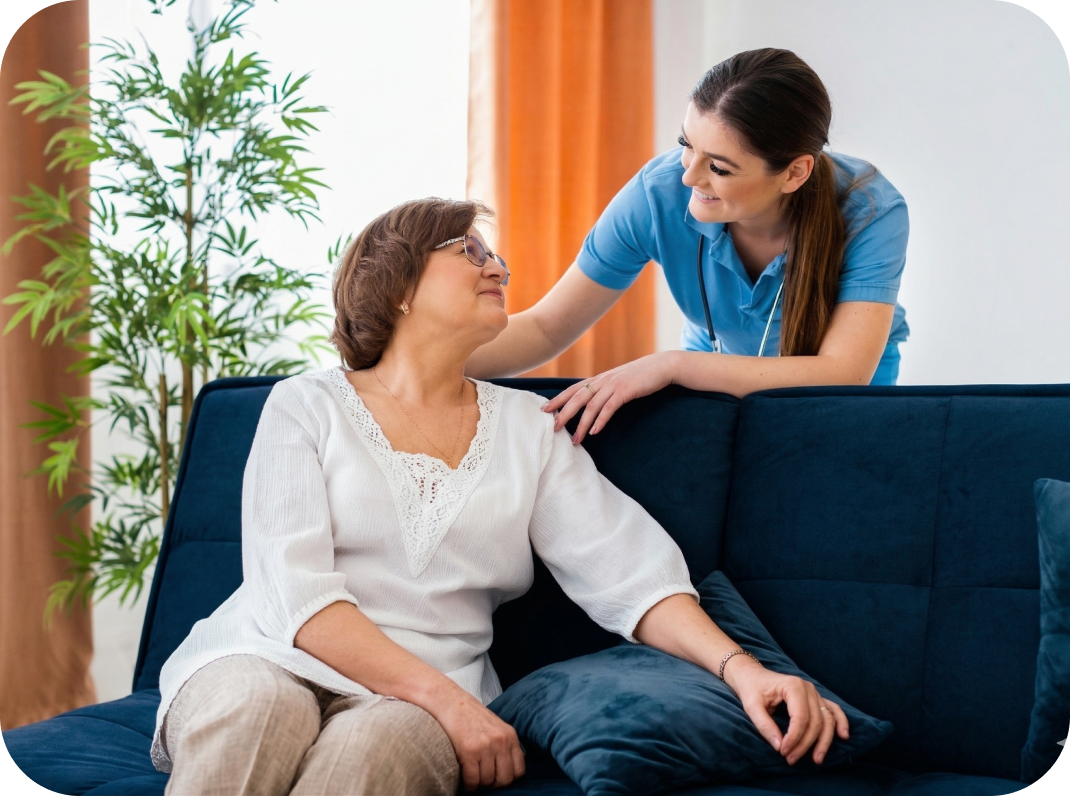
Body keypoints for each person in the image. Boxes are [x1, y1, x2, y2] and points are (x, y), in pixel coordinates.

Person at [151, 199, 849, 796]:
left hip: (422, 698)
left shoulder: (529, 428)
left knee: (369, 754)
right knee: (259, 708)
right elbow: (296, 598)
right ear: (395, 284)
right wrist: (450, 703)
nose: (500, 267)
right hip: (267, 656)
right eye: (469, 250)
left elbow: (630, 576)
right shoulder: (305, 405)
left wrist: (746, 671)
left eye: (496, 254)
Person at [466, 48, 910, 445]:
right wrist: (415, 361)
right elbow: (547, 327)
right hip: (715, 360)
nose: (688, 177)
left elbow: (843, 372)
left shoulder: (871, 211)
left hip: (836, 379)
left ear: (795, 173)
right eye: (686, 145)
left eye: (718, 166)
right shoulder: (656, 194)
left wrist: (673, 365)